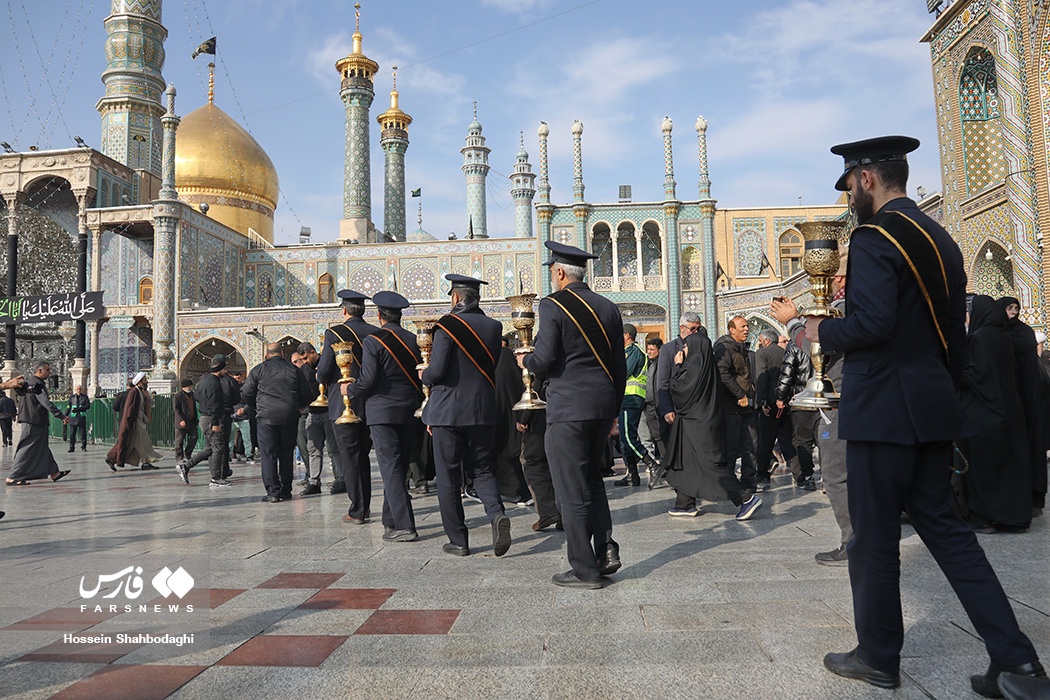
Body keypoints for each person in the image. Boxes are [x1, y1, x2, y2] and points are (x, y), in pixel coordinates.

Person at [813, 135, 1043, 694]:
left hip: (882, 411)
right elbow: (954, 340)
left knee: (872, 537)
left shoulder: (873, 238)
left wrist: (822, 329)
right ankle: (1017, 660)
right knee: (948, 533)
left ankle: (877, 655)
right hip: (931, 406)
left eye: (849, 187)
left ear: (866, 178)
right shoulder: (941, 238)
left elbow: (870, 325)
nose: (849, 199)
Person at [520, 241, 627, 589]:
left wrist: (526, 361)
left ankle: (584, 569)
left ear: (561, 273)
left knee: (570, 489)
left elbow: (546, 356)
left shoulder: (553, 305)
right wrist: (613, 409)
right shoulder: (608, 307)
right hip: (600, 407)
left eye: (553, 272)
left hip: (568, 409)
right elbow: (618, 366)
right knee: (593, 481)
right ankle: (606, 549)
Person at [422, 274, 511, 557]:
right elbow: (491, 365)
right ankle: (496, 514)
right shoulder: (494, 327)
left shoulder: (446, 326)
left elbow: (436, 372)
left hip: (447, 413)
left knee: (448, 477)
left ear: (456, 298)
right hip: (483, 410)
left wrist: (423, 374)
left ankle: (459, 540)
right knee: (482, 470)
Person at [772, 248, 852, 565]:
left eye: (824, 278)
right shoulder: (861, 305)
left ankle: (854, 541)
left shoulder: (843, 308)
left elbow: (816, 347)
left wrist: (792, 322)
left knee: (836, 477)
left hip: (842, 405)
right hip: (854, 402)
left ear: (838, 277)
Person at [345, 291, 422, 540]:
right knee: (399, 467)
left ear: (379, 315)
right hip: (409, 409)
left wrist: (350, 389)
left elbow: (367, 381)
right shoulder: (414, 339)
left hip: (381, 412)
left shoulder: (373, 341)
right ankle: (390, 520)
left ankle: (404, 525)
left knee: (389, 467)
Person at [662, 331, 762, 520]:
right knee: (687, 461)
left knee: (711, 466)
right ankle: (684, 504)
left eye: (686, 346)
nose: (683, 349)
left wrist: (677, 365)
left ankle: (746, 499)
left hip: (697, 425)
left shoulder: (694, 366)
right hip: (698, 423)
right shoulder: (707, 367)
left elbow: (677, 390)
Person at [959, 296, 1032, 532]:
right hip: (1008, 411)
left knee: (983, 469)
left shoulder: (980, 338)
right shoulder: (1003, 336)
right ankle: (1012, 517)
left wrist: (956, 372)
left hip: (984, 413)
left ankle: (983, 517)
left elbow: (978, 376)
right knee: (1005, 469)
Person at [317, 289, 380, 518]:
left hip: (343, 404)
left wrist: (320, 379)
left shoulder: (334, 333)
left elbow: (324, 370)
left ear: (344, 310)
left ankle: (358, 509)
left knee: (350, 457)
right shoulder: (376, 332)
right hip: (371, 402)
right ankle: (364, 505)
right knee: (363, 455)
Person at [242, 342, 313, 502]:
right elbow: (307, 393)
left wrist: (257, 407)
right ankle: (286, 490)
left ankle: (273, 492)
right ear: (282, 353)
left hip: (266, 418)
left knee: (268, 455)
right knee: (286, 453)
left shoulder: (258, 370)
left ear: (267, 355)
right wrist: (298, 406)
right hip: (289, 417)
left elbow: (246, 393)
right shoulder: (293, 369)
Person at [997, 296, 1046, 515]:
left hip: (1028, 393)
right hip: (1011, 393)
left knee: (1030, 439)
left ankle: (1034, 495)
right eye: (1009, 308)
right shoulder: (996, 332)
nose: (1014, 312)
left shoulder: (1023, 331)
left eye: (1017, 307)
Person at [713, 316, 759, 494]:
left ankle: (749, 483)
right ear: (732, 330)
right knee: (730, 448)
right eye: (743, 326)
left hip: (747, 406)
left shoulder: (741, 348)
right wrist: (739, 394)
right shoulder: (724, 347)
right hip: (731, 407)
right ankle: (730, 487)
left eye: (747, 326)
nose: (747, 329)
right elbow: (722, 372)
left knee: (752, 445)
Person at [5, 362, 70, 485]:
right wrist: (61, 416)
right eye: (47, 370)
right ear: (40, 371)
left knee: (42, 446)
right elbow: (46, 402)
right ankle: (14, 476)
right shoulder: (37, 384)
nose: (49, 372)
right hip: (33, 420)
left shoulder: (30, 382)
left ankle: (54, 472)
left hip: (35, 420)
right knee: (26, 448)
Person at [614, 323, 659, 487]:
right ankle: (632, 475)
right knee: (624, 439)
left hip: (631, 397)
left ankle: (652, 464)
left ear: (626, 336)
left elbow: (623, 373)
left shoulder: (633, 351)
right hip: (625, 398)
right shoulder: (626, 352)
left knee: (628, 437)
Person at [775, 332, 819, 492]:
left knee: (804, 442)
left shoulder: (794, 346)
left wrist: (780, 397)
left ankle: (808, 478)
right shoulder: (825, 342)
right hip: (824, 399)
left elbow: (786, 375)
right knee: (824, 441)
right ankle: (828, 478)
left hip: (801, 401)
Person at [179, 354, 232, 487]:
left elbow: (197, 397)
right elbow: (214, 404)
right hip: (211, 419)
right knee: (218, 448)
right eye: (225, 369)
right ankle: (215, 478)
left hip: (204, 417)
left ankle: (185, 467)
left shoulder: (203, 380)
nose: (226, 372)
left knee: (210, 448)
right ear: (220, 369)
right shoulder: (214, 382)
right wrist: (215, 422)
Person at [491, 333, 532, 505]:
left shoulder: (496, 370)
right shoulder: (516, 372)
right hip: (517, 417)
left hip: (500, 420)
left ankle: (509, 491)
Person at [299, 341, 339, 497]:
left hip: (329, 412)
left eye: (306, 358)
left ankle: (340, 478)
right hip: (312, 413)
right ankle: (314, 481)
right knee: (313, 449)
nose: (305, 362)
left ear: (312, 352)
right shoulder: (304, 370)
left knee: (333, 448)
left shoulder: (327, 364)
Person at [753, 329, 789, 491]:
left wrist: (762, 401)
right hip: (786, 402)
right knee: (789, 439)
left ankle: (762, 474)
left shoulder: (762, 353)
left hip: (770, 403)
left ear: (766, 341)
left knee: (766, 440)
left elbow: (762, 377)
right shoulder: (786, 352)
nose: (760, 342)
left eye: (760, 340)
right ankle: (801, 475)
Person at [106, 372, 162, 471]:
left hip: (138, 420)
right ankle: (146, 462)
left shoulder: (140, 392)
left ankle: (112, 458)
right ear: (140, 381)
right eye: (145, 380)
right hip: (135, 422)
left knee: (133, 443)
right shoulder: (134, 392)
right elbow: (130, 409)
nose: (147, 381)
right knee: (144, 441)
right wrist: (129, 421)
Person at [642, 337, 665, 461]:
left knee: (662, 434)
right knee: (654, 434)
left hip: (659, 404)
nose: (649, 352)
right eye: (648, 349)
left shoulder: (663, 364)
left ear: (659, 350)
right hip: (649, 405)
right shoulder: (648, 364)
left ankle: (665, 459)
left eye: (652, 349)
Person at [173, 378, 198, 466]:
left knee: (194, 437)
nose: (190, 388)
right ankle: (179, 457)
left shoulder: (192, 395)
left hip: (191, 421)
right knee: (179, 440)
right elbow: (176, 409)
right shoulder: (178, 396)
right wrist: (181, 420)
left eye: (191, 386)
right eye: (188, 386)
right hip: (182, 422)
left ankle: (188, 453)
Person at [66, 385, 90, 452]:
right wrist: (65, 416)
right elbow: (68, 407)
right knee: (72, 434)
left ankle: (83, 447)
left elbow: (87, 406)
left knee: (83, 434)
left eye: (80, 389)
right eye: (77, 389)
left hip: (81, 417)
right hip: (73, 418)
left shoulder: (85, 397)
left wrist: (79, 409)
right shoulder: (71, 398)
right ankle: (71, 447)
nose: (79, 390)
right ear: (75, 390)